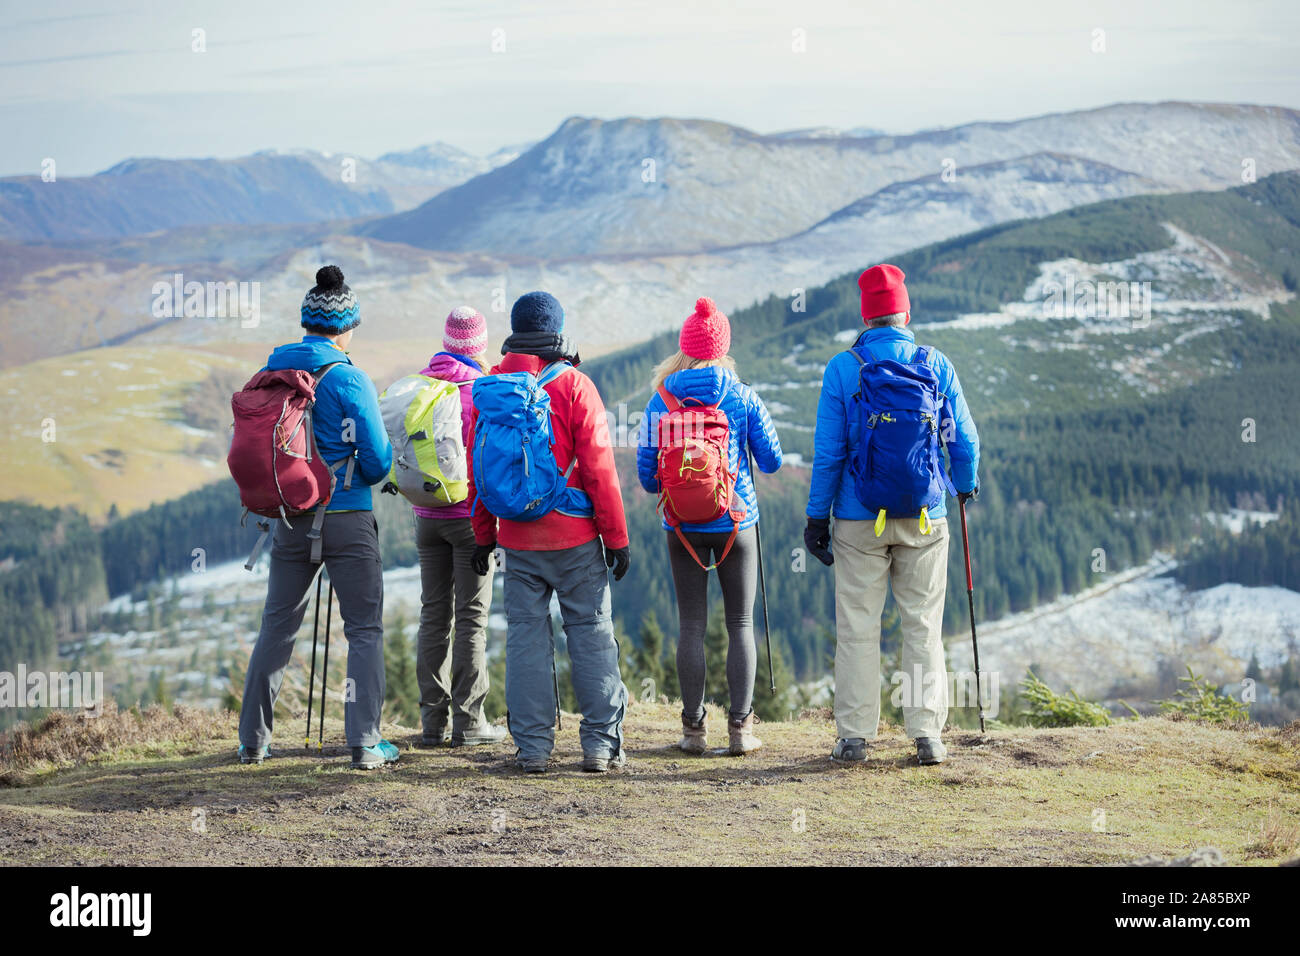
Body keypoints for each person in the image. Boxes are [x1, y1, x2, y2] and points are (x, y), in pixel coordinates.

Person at [804, 264, 980, 766]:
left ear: (867, 315)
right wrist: (964, 486)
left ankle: (855, 738)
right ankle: (927, 736)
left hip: (860, 519)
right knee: (922, 624)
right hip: (925, 517)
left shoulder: (844, 368)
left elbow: (830, 454)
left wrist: (817, 519)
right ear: (906, 311)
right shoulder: (935, 364)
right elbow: (962, 441)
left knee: (858, 625)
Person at [237, 265, 397, 770]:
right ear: (346, 326)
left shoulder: (272, 374)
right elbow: (375, 461)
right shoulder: (348, 378)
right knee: (364, 629)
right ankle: (365, 743)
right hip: (347, 518)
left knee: (277, 627)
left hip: (287, 517)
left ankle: (253, 742)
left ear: (306, 322)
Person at [468, 291, 631, 774]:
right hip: (576, 538)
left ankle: (534, 748)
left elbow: (480, 474)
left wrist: (484, 536)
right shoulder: (576, 386)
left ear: (516, 333)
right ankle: (600, 746)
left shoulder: (491, 387)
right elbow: (600, 470)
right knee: (591, 633)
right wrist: (616, 538)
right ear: (557, 333)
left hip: (517, 539)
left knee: (525, 638)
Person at [635, 297, 782, 755]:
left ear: (684, 347)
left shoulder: (661, 401)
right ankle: (741, 731)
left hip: (680, 527)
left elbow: (646, 477)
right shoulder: (741, 395)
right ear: (722, 348)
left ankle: (692, 731)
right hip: (737, 523)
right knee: (739, 622)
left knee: (691, 626)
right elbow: (773, 461)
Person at [409, 307, 506, 748]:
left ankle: (432, 723)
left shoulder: (422, 385)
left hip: (426, 516)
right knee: (471, 618)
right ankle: (469, 722)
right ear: (478, 346)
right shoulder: (480, 393)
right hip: (469, 520)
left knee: (434, 615)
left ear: (447, 343)